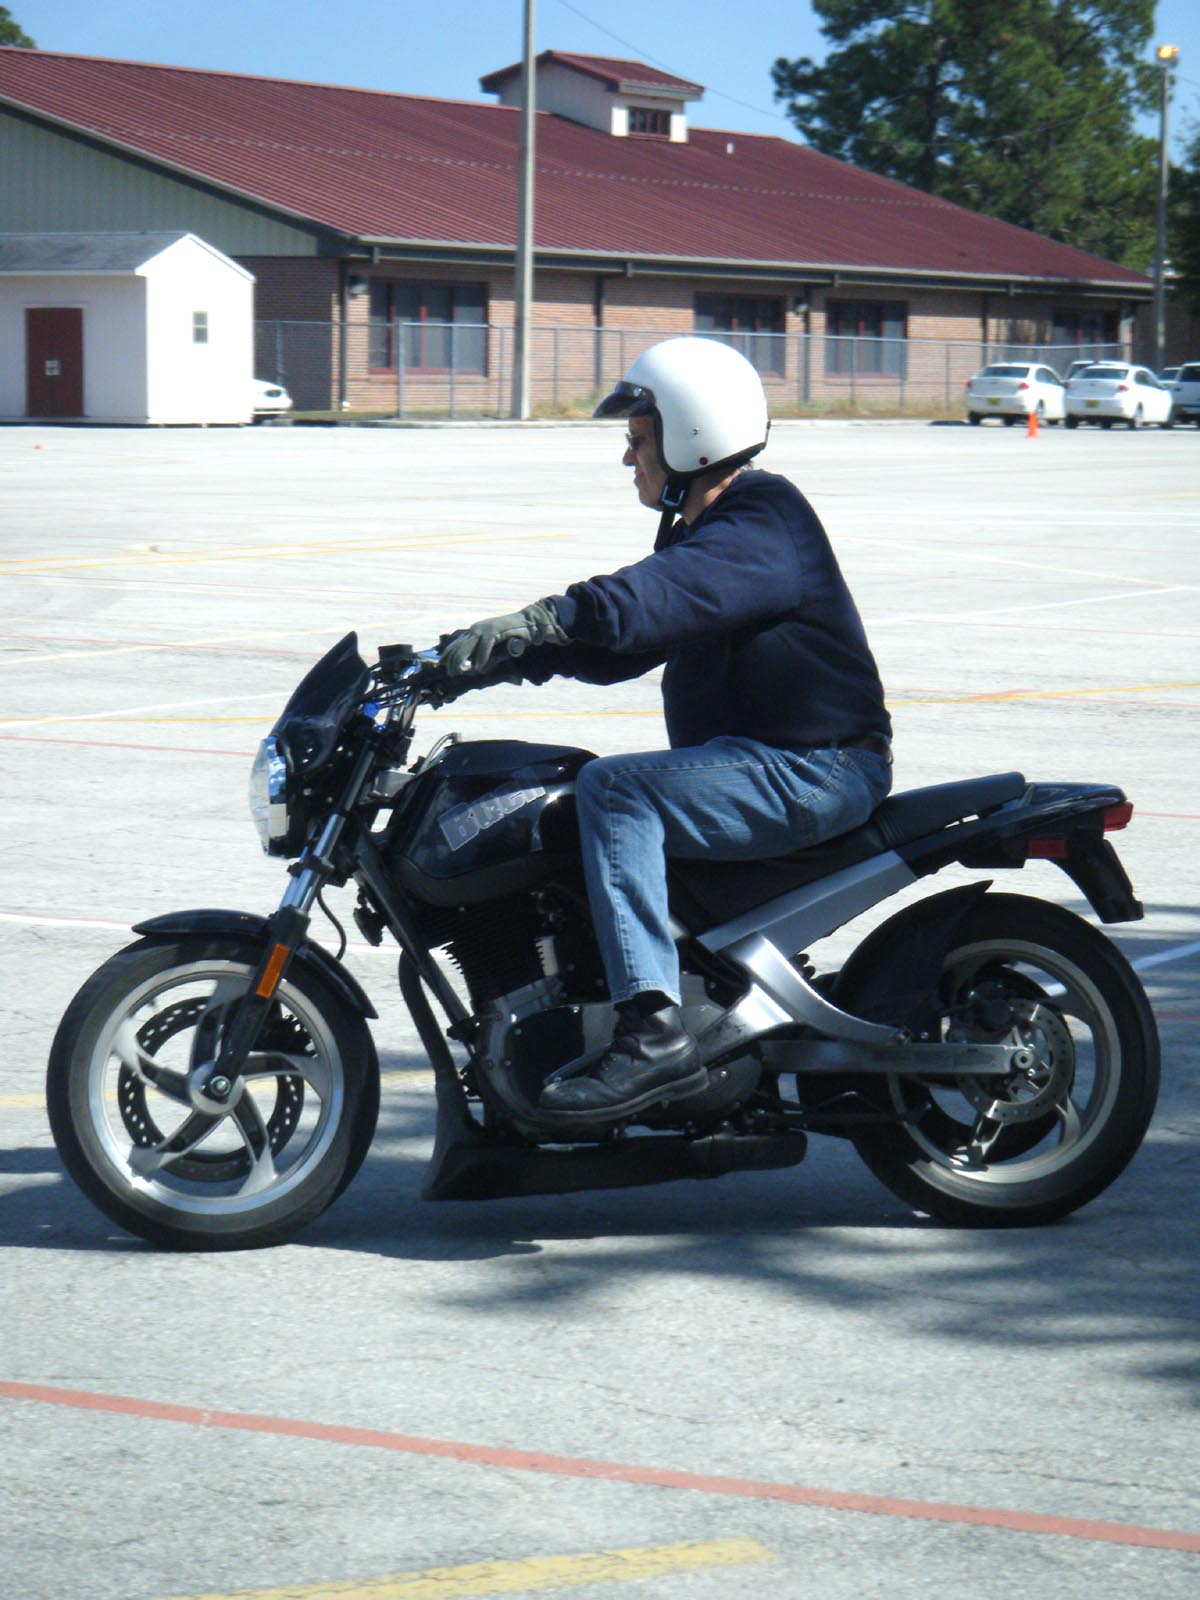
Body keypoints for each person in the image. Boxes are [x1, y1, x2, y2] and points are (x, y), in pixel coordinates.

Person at [438, 336, 892, 1121]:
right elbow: (622, 646)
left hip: (815, 767)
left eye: (638, 439)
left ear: (691, 434)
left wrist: (542, 617)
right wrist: (497, 660)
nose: (628, 458)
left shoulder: (763, 520)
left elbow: (650, 601)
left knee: (615, 790)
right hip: (765, 766)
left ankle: (653, 1034)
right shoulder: (701, 534)